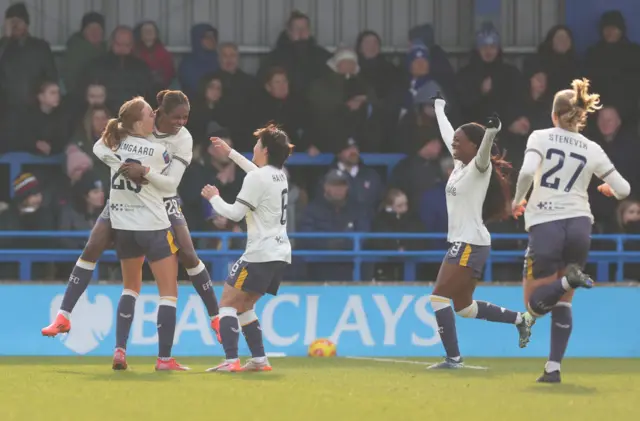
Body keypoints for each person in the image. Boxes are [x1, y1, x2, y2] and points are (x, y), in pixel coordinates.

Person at [41, 90, 220, 341]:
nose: (181, 123)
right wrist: (121, 167)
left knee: (189, 253)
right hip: (124, 200)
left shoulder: (183, 139)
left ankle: (216, 318)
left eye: (186, 118)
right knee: (92, 248)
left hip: (162, 200)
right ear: (159, 114)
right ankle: (63, 316)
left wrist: (144, 171)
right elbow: (99, 147)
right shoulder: (136, 123)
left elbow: (171, 184)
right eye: (176, 118)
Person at [511, 78, 631, 383]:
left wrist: (517, 200)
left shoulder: (540, 136)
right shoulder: (593, 148)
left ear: (553, 115)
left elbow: (526, 171)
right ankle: (553, 368)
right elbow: (624, 189)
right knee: (564, 299)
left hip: (546, 223)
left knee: (534, 302)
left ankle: (567, 280)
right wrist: (608, 189)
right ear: (581, 117)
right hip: (580, 225)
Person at [428, 93, 535, 370]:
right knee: (464, 308)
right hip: (467, 242)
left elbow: (485, 149)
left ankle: (453, 359)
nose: (453, 143)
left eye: (459, 142)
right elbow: (446, 132)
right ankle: (520, 320)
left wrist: (492, 131)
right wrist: (439, 107)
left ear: (473, 147)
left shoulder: (479, 167)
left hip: (469, 243)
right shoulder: (460, 167)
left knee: (438, 296)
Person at [96, 97, 188, 370]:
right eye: (149, 114)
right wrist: (147, 171)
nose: (154, 116)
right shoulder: (157, 151)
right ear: (138, 122)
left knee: (130, 288)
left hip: (123, 227)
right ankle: (164, 359)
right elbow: (169, 186)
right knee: (168, 293)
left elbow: (98, 147)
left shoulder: (115, 145)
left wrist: (117, 162)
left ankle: (120, 351)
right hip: (153, 226)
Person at [201, 124, 292, 372]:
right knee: (246, 306)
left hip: (259, 253)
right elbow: (254, 172)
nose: (253, 147)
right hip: (280, 253)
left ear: (264, 149)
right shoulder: (279, 175)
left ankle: (231, 360)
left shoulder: (257, 177)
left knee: (228, 303)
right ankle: (259, 359)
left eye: (257, 144)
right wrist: (230, 152)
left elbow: (234, 213)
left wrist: (213, 198)